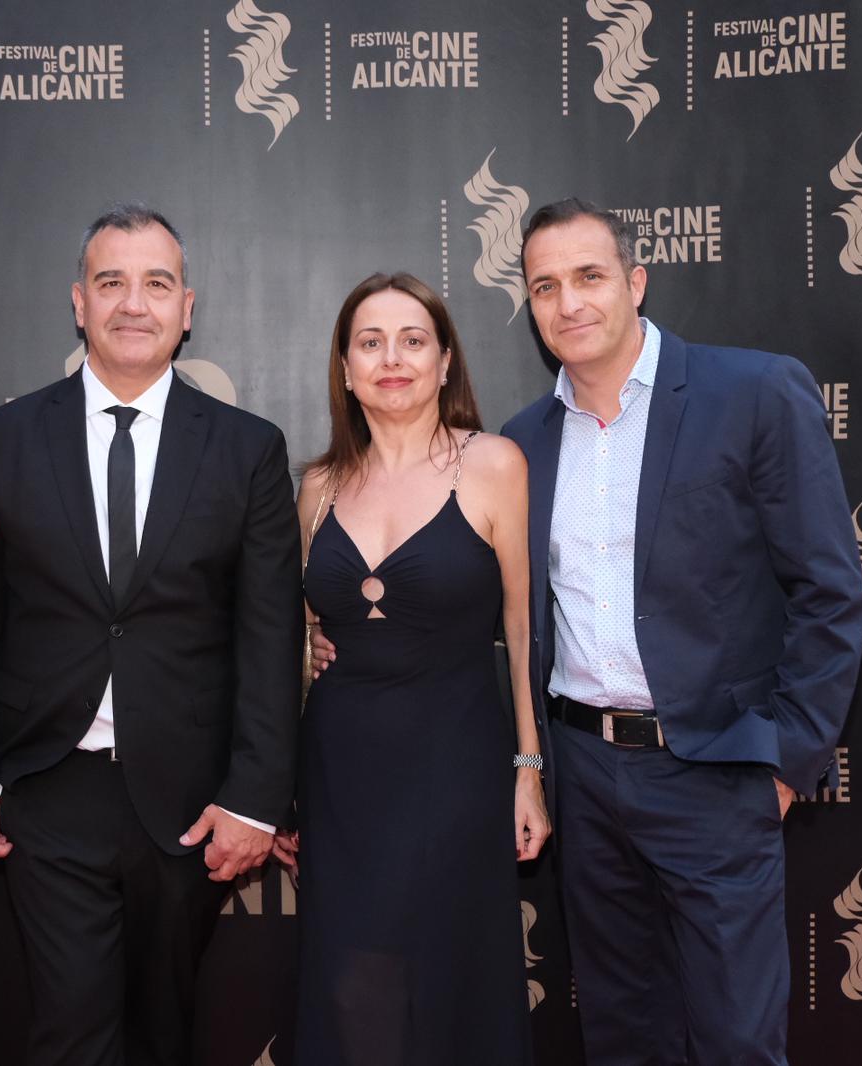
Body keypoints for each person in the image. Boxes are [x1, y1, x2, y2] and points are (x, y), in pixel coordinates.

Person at [502, 199, 862, 1064]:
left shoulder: (752, 392)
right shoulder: (523, 442)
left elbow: (829, 591)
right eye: (545, 285)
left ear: (635, 281)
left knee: (738, 1040)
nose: (569, 303)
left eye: (589, 277)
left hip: (715, 771)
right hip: (584, 775)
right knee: (626, 1037)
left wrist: (782, 762)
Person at [0, 203, 301, 1066]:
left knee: (163, 1030)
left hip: (189, 797)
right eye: (111, 283)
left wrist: (255, 796)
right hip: (47, 784)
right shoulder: (2, 439)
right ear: (78, 303)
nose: (132, 304)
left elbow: (267, 634)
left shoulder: (248, 449)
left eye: (156, 284)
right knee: (71, 1031)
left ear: (189, 306)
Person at [285, 273, 549, 1065]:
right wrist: (303, 656)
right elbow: (299, 629)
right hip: (341, 775)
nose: (390, 359)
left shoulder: (495, 464)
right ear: (344, 367)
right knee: (351, 984)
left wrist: (528, 771)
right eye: (370, 342)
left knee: (452, 978)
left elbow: (524, 630)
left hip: (457, 767)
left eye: (412, 341)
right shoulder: (317, 488)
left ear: (443, 363)